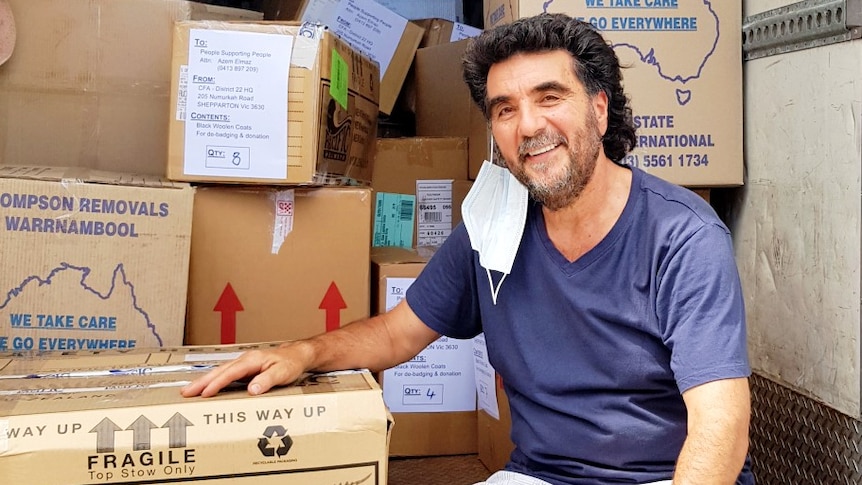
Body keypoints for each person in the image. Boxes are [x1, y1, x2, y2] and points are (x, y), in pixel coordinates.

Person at [182, 13, 753, 485]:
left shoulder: (682, 236)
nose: (528, 126)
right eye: (505, 109)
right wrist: (303, 354)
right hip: (540, 477)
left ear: (599, 109)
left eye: (549, 97)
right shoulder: (493, 229)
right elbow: (395, 333)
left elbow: (719, 422)